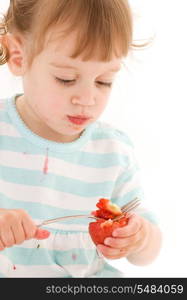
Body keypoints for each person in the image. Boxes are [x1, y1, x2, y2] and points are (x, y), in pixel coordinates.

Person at [0, 0, 162, 278]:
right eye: (66, 78)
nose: (87, 100)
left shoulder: (113, 151)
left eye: (104, 81)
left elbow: (148, 249)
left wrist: (139, 238)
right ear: (18, 56)